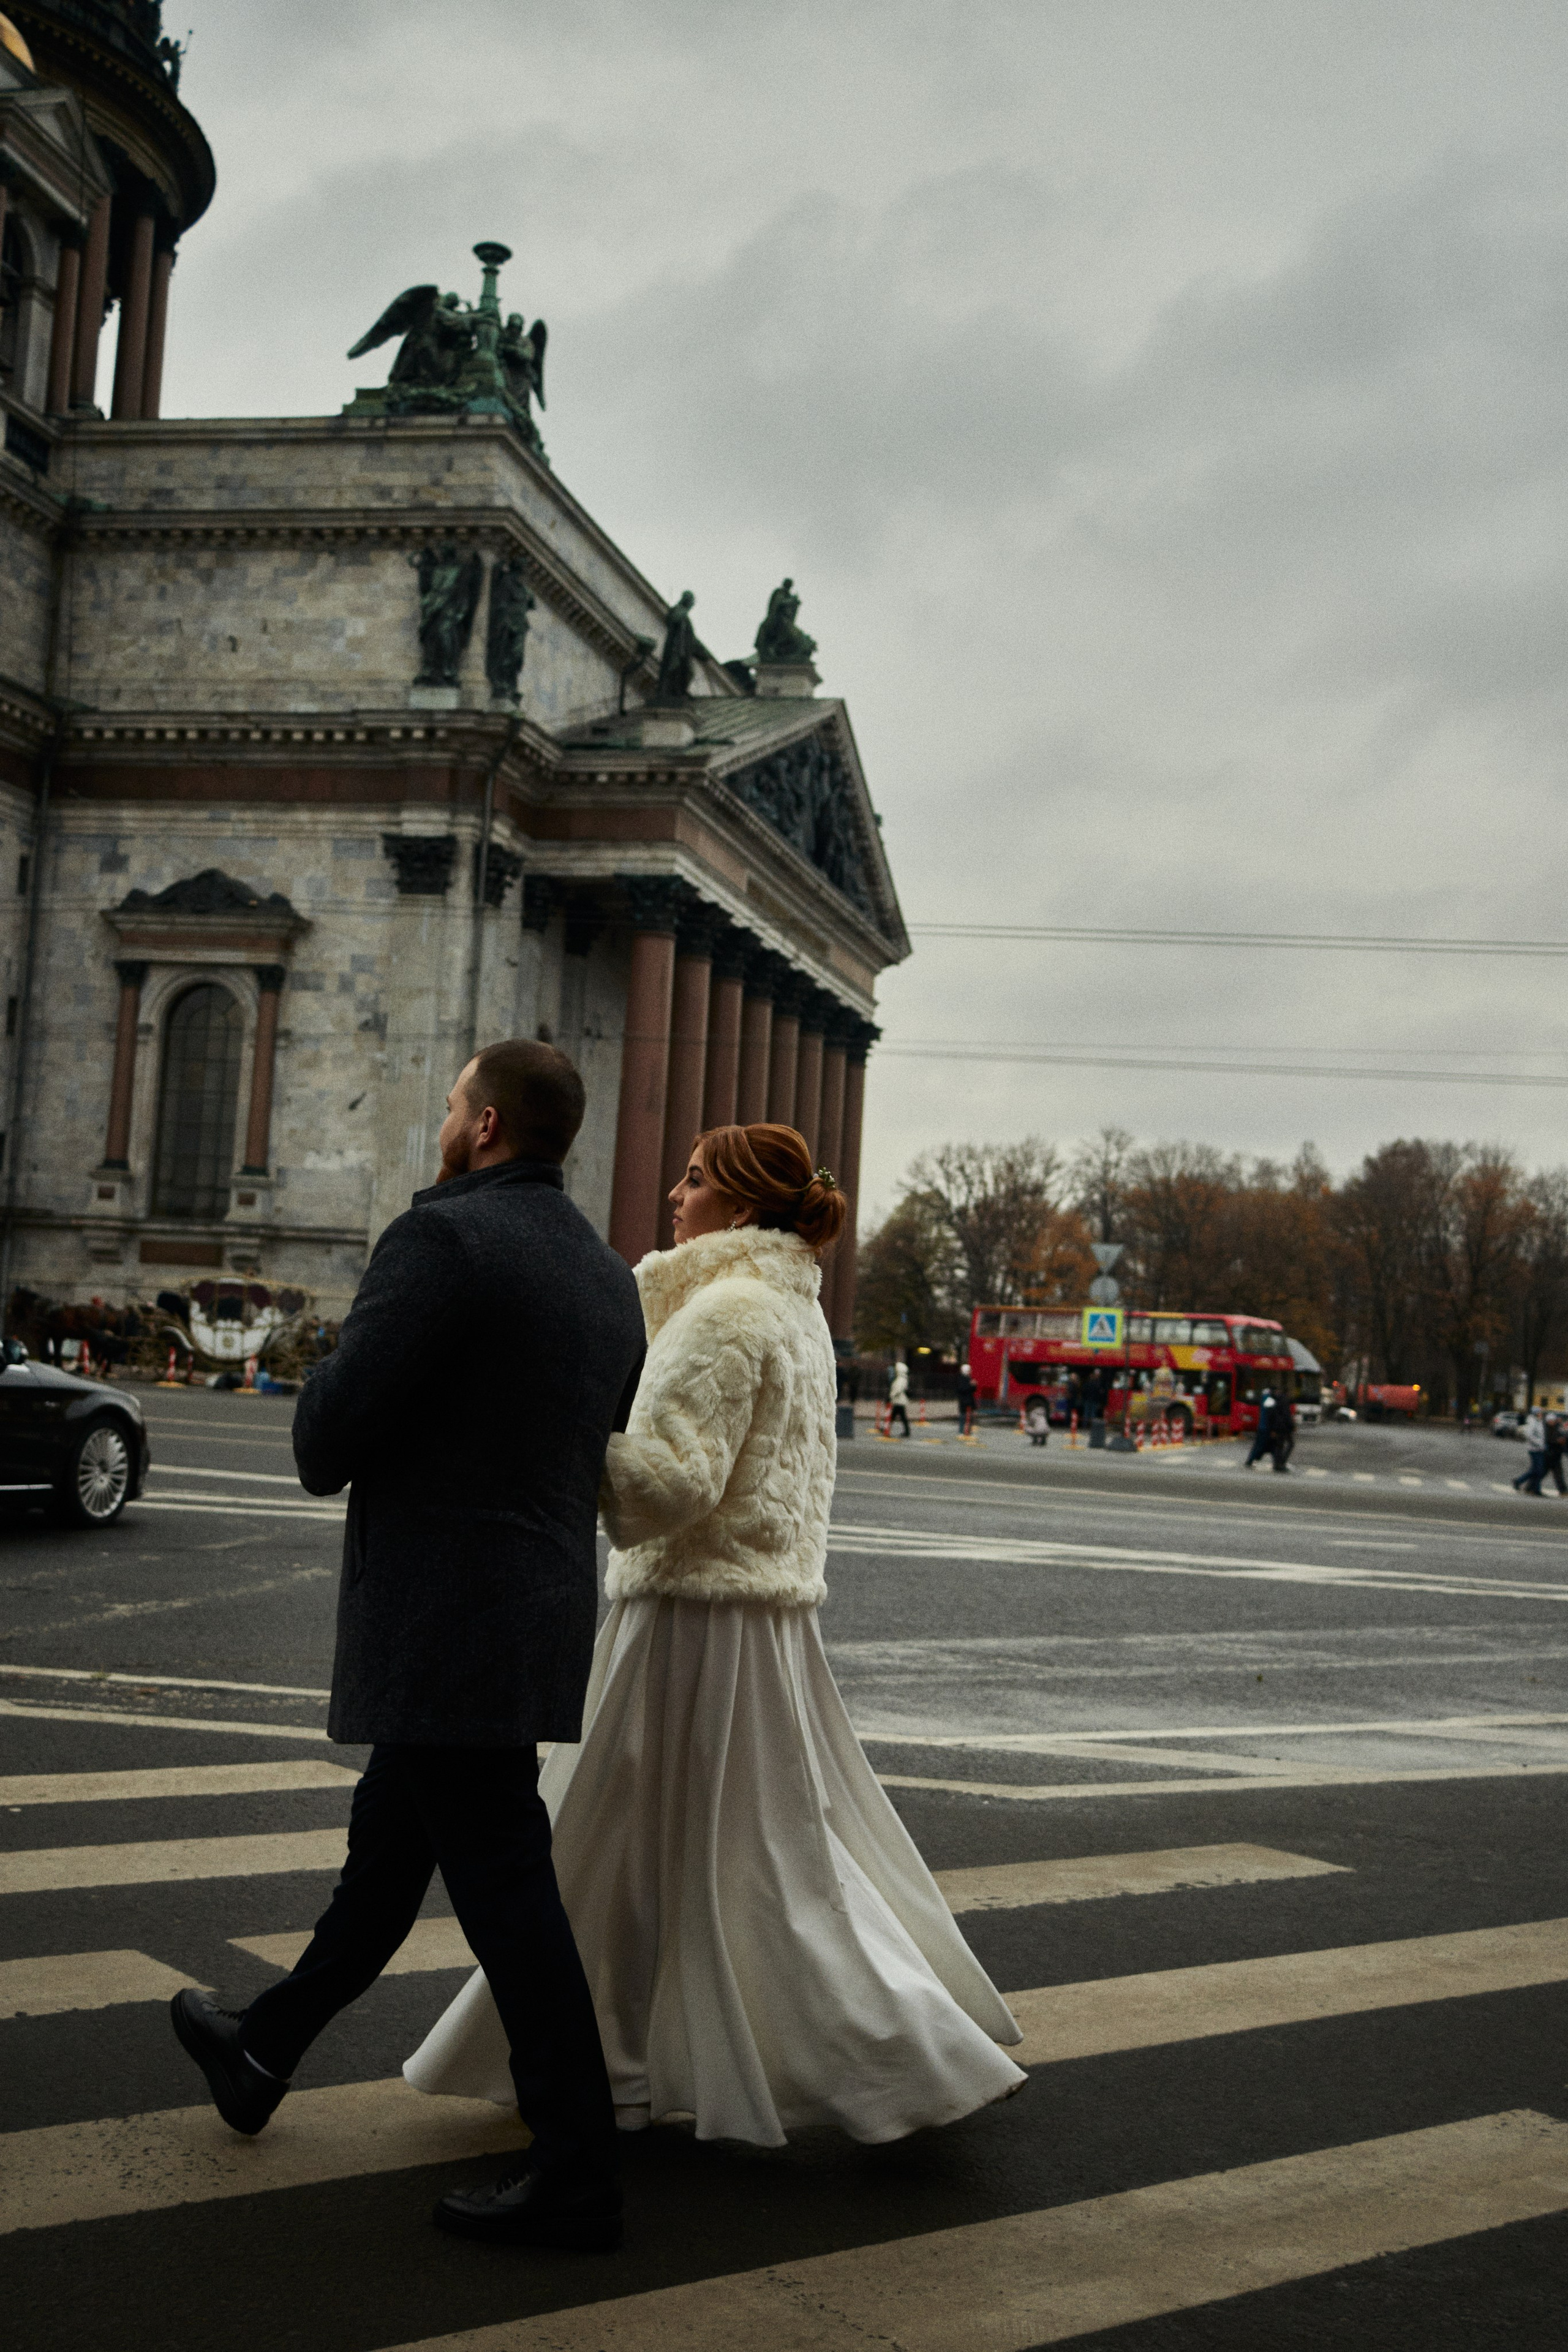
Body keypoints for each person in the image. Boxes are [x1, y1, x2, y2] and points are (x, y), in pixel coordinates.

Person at [405, 1123, 1025, 2146]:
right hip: (761, 1618)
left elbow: (667, 1491)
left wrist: (567, 1434)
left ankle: (809, 2054)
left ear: (739, 1209)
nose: (675, 1197)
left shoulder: (722, 1312)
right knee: (750, 1854)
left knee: (646, 1852)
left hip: (689, 1614)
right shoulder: (788, 1307)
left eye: (694, 1181)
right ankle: (651, 2058)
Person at [168, 1040, 646, 2252]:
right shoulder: (602, 1273)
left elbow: (326, 1440)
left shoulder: (442, 1240)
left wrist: (342, 1362)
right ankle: (264, 2045)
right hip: (530, 1606)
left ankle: (579, 2168)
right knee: (389, 1857)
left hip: (443, 1620)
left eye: (449, 1105)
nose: (442, 1122)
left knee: (504, 1887)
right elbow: (584, 1425)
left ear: (484, 1125)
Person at [1516, 1404, 1549, 1496]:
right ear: (1536, 1413)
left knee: (1537, 1470)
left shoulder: (1539, 1421)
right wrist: (1540, 1443)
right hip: (1534, 1449)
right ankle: (1533, 1488)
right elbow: (1529, 1436)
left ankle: (1521, 1483)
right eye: (1540, 1412)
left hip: (1540, 1449)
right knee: (1538, 1470)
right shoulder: (1533, 1422)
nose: (1541, 1414)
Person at [1245, 1389, 1276, 1469]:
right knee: (1263, 1446)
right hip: (1266, 1428)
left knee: (1262, 1445)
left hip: (1262, 1427)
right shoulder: (1269, 1401)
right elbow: (1270, 1415)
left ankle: (1252, 1460)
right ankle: (1252, 1460)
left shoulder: (1263, 1400)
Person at [1269, 1389, 1296, 1474]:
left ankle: (1278, 1464)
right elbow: (1286, 1416)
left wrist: (1273, 1429)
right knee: (1288, 1444)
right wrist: (1292, 1426)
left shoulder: (1277, 1402)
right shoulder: (1284, 1402)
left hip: (1278, 1427)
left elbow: (1273, 1416)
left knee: (1279, 1446)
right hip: (1284, 1428)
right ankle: (1281, 1463)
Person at [887, 1355, 912, 1438]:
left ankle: (887, 1428)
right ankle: (906, 1431)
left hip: (899, 1400)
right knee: (899, 1416)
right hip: (900, 1400)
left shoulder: (901, 1379)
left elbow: (898, 1389)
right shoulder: (903, 1378)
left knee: (896, 1416)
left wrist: (891, 1396)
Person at [1545, 1412, 1567, 1498]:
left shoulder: (1556, 1428)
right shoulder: (1548, 1429)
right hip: (1550, 1455)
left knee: (1558, 1474)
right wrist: (1557, 1441)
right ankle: (1530, 1486)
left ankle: (1563, 1490)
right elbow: (1549, 1440)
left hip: (1555, 1455)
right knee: (1542, 1472)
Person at [956, 1361, 978, 1436]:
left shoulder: (968, 1378)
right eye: (969, 1371)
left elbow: (973, 1390)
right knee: (963, 1417)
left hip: (969, 1400)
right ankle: (961, 1431)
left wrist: (974, 1385)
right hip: (964, 1401)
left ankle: (968, 1431)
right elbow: (962, 1389)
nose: (970, 1372)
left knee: (970, 1418)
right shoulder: (961, 1379)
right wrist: (970, 1385)